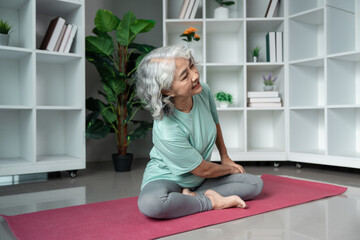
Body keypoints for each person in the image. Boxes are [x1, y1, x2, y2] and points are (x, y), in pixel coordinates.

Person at [135, 45, 263, 219]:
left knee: (255, 184)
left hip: (201, 180)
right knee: (152, 204)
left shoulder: (203, 92)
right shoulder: (167, 129)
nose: (195, 75)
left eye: (191, 66)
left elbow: (215, 123)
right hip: (168, 179)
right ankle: (210, 201)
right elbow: (202, 170)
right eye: (184, 76)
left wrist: (225, 156)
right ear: (167, 90)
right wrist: (228, 170)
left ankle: (188, 198)